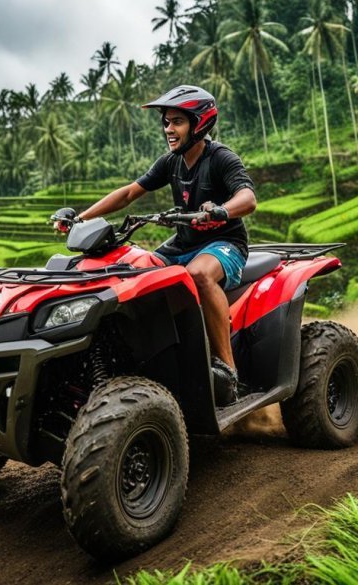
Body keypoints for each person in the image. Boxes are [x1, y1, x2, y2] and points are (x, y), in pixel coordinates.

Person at [52, 85, 257, 401]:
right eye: (166, 122)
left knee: (198, 275)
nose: (169, 129)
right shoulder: (171, 162)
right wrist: (81, 218)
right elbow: (129, 193)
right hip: (181, 244)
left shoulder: (221, 158)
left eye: (177, 122)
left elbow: (248, 198)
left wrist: (221, 211)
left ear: (198, 123)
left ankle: (228, 373)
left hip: (223, 242)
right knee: (136, 273)